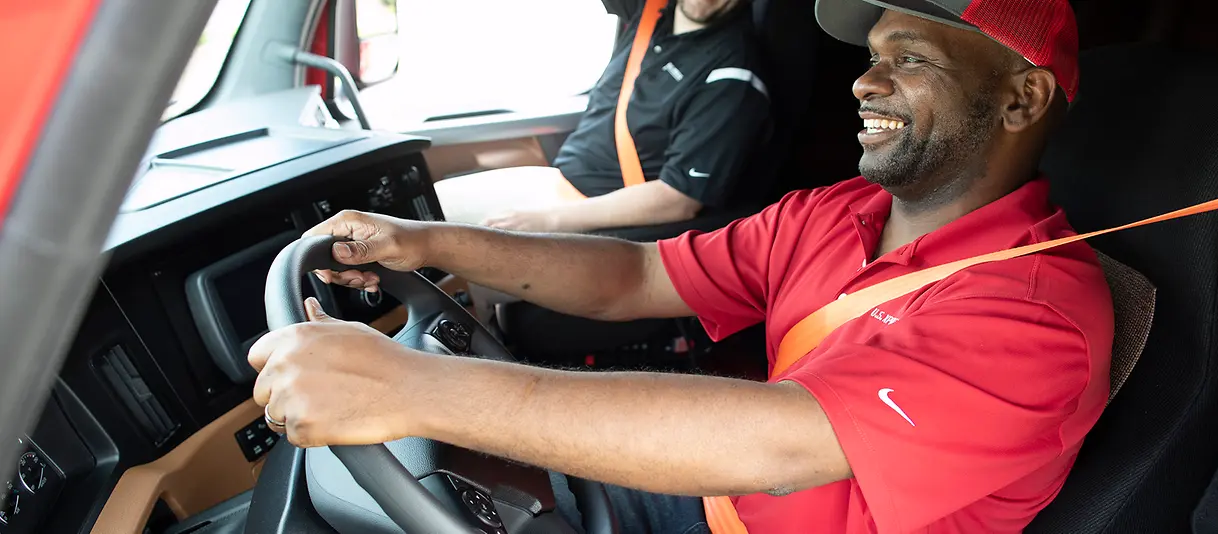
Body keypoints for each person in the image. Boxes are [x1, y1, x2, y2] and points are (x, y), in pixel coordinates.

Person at [249, 0, 1113, 532]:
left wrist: (414, 388)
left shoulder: (1039, 315)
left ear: (1021, 97)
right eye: (875, 53)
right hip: (710, 504)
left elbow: (778, 442)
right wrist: (431, 245)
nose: (865, 82)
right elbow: (635, 278)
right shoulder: (835, 213)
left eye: (912, 59)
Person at [433, 0, 771, 234]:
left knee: (423, 236)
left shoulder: (731, 75)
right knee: (420, 207)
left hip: (597, 217)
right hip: (558, 184)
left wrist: (548, 220)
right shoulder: (651, 15)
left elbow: (677, 201)